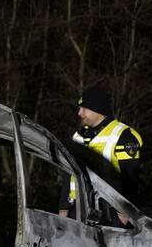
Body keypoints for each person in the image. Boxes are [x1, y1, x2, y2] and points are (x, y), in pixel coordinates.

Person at [61, 85, 143, 218]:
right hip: (76, 210)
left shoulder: (123, 135)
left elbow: (130, 178)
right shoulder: (78, 136)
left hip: (109, 213)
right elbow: (68, 175)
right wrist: (63, 208)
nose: (79, 113)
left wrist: (125, 214)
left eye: (84, 108)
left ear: (97, 110)